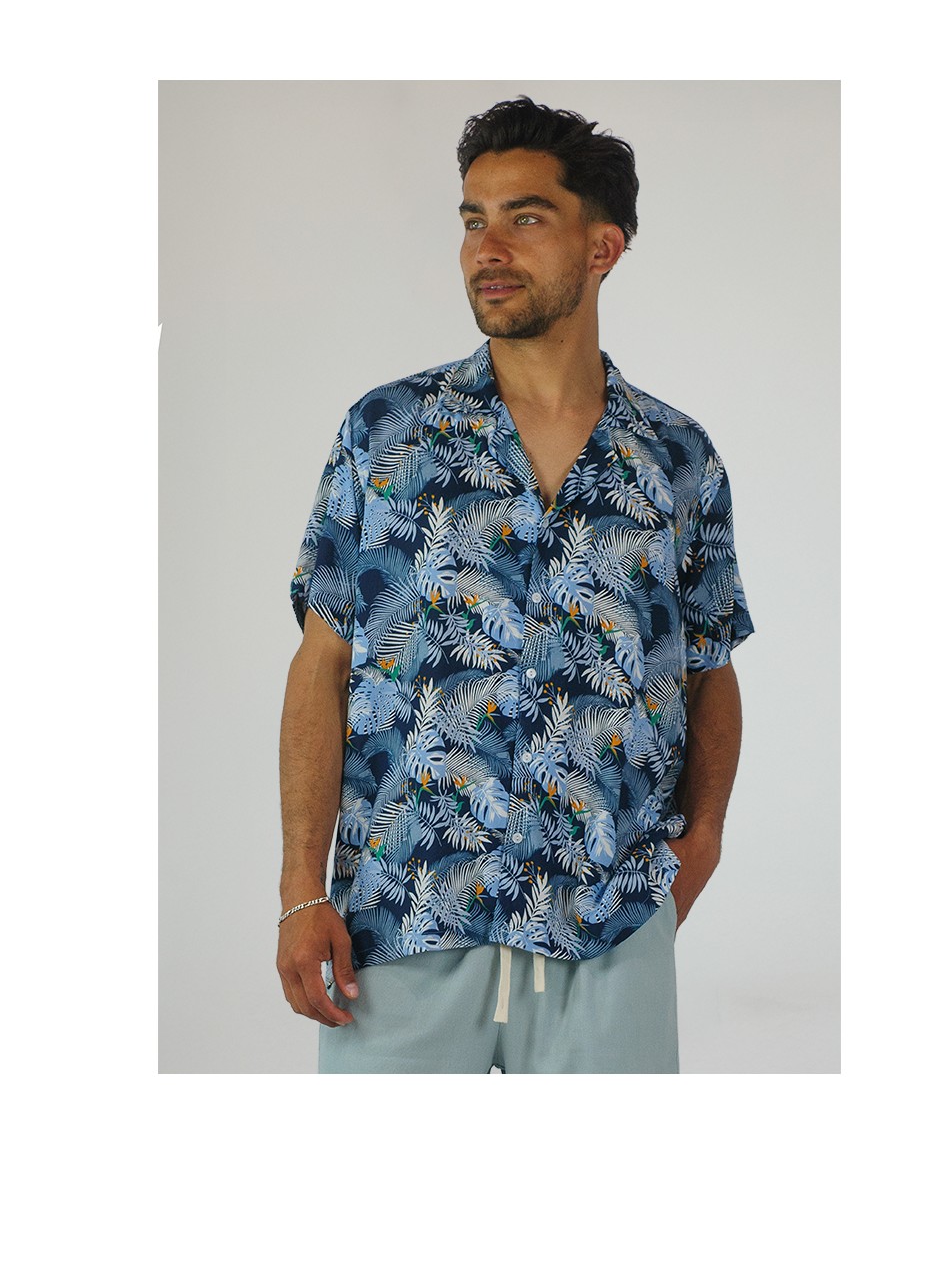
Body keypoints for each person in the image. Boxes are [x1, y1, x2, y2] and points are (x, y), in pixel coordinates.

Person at [277, 96, 754, 1073]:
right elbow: (320, 663)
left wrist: (701, 839)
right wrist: (300, 889)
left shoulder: (676, 459)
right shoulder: (386, 436)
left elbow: (709, 666)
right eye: (473, 219)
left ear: (601, 246)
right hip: (401, 923)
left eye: (525, 217)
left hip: (607, 929)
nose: (487, 249)